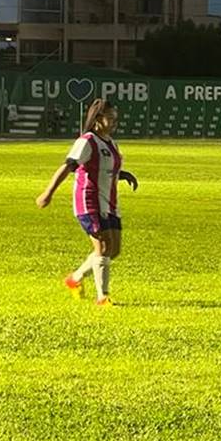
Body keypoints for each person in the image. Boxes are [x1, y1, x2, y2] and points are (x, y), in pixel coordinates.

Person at [35, 99, 138, 307]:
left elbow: (106, 167)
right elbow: (68, 167)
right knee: (103, 246)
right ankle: (102, 298)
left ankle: (74, 279)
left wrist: (124, 174)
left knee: (113, 249)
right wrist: (48, 193)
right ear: (98, 119)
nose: (115, 121)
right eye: (111, 117)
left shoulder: (110, 142)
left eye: (116, 117)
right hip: (89, 200)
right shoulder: (87, 141)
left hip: (109, 201)